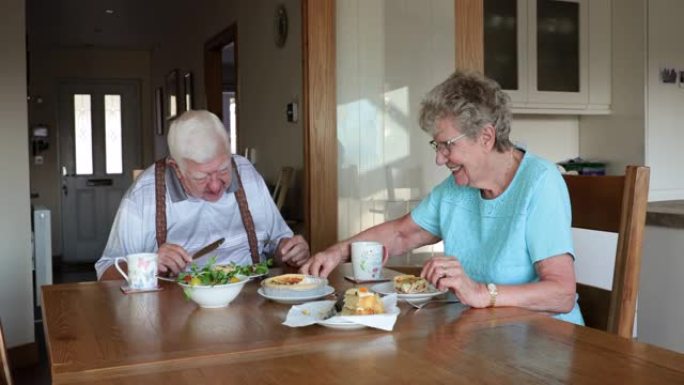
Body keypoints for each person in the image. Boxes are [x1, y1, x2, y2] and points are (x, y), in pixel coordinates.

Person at [301, 71, 584, 325]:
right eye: (437, 146)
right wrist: (336, 252)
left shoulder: (540, 181)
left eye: (447, 146)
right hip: (484, 336)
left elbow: (561, 294)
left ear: (486, 137)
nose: (439, 159)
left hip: (543, 346)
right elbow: (401, 234)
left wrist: (482, 293)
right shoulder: (457, 188)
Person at [96, 110, 310, 280]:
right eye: (201, 178)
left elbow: (278, 242)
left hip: (250, 303)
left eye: (224, 169)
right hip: (173, 315)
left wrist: (289, 251)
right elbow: (105, 273)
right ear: (176, 168)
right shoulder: (144, 195)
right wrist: (149, 264)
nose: (216, 186)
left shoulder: (246, 173)